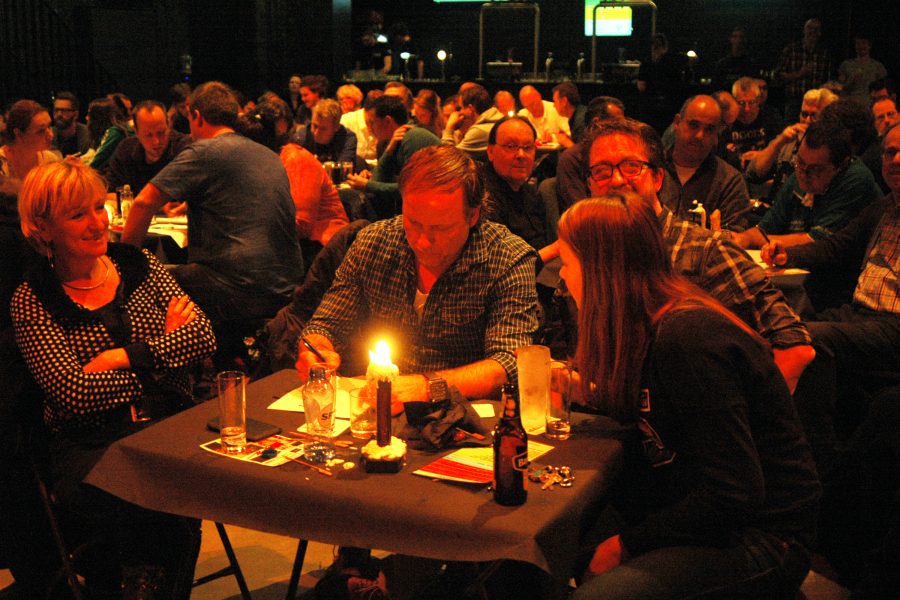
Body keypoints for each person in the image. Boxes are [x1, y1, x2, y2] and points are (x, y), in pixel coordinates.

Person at [557, 194, 820, 599]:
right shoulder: (644, 325)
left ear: (599, 271)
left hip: (766, 536)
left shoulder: (687, 338)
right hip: (701, 512)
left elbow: (734, 494)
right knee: (558, 544)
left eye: (567, 264)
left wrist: (627, 545)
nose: (562, 278)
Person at [10, 160, 215, 598]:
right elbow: (75, 394)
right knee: (157, 494)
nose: (97, 222)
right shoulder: (34, 297)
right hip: (91, 442)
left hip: (168, 423)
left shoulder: (137, 263)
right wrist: (164, 357)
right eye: (77, 214)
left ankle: (142, 585)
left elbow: (202, 335)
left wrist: (121, 357)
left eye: (98, 207)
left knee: (200, 473)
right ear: (43, 229)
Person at [584, 118, 815, 392]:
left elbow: (795, 347)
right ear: (591, 186)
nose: (617, 180)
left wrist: (750, 413)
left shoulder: (705, 251)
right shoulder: (589, 255)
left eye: (631, 167)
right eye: (602, 171)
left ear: (657, 178)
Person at [298, 145, 539, 405]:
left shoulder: (507, 259)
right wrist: (317, 349)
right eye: (413, 222)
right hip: (375, 408)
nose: (422, 241)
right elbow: (325, 325)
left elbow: (508, 363)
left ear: (473, 215)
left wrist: (426, 387)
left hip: (461, 416)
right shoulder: (374, 243)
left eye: (440, 228)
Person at [121, 81, 304, 363]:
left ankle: (161, 368)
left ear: (196, 116)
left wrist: (124, 265)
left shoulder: (205, 151)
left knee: (147, 281)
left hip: (239, 288)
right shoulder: (269, 154)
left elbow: (143, 203)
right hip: (286, 287)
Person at [733, 120, 881, 249]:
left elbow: (818, 242)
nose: (804, 174)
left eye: (815, 169)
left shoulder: (856, 179)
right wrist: (744, 238)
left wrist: (755, 240)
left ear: (840, 166)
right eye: (800, 162)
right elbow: (766, 227)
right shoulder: (799, 174)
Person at [238, 96, 349, 266]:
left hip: (322, 250)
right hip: (293, 246)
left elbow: (301, 225)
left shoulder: (295, 158)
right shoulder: (266, 158)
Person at [660, 94, 751, 231]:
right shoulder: (650, 168)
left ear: (716, 136)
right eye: (693, 125)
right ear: (677, 123)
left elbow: (733, 239)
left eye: (709, 129)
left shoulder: (730, 182)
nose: (699, 135)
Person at [346, 95, 440, 218]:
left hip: (435, 209)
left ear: (387, 121)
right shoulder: (390, 142)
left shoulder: (413, 137)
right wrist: (389, 150)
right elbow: (377, 180)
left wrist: (367, 185)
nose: (371, 128)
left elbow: (411, 190)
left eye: (373, 122)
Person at [482, 117, 555, 263]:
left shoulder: (529, 191)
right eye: (511, 146)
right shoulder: (483, 197)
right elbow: (503, 265)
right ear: (490, 152)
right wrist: (556, 249)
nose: (521, 155)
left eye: (527, 147)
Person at [744, 87, 838, 192]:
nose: (807, 120)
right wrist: (779, 142)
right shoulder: (788, 141)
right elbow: (753, 174)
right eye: (804, 114)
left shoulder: (832, 150)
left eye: (814, 115)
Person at [103, 99, 192, 195]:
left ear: (169, 125)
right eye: (148, 135)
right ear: (136, 132)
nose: (156, 141)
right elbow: (110, 192)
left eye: (161, 133)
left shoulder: (185, 149)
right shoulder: (126, 149)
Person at [1, 100, 59, 203]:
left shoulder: (50, 160)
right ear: (18, 134)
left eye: (49, 127)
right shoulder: (2, 163)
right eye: (41, 131)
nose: (51, 135)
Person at [776, 18, 832, 118]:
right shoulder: (791, 50)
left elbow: (827, 79)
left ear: (819, 33)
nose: (812, 31)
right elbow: (778, 76)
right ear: (804, 30)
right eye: (810, 28)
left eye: (816, 29)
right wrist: (799, 74)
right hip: (794, 101)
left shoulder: (824, 53)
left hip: (816, 103)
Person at [442, 83, 504, 157]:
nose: (460, 113)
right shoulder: (499, 120)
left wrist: (449, 127)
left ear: (470, 109)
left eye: (461, 108)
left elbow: (447, 157)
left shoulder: (479, 131)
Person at [729, 76, 783, 160]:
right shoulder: (728, 120)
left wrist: (761, 155)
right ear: (734, 101)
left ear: (758, 101)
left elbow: (781, 149)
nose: (747, 108)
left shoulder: (770, 116)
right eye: (741, 103)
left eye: (751, 102)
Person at [292, 98, 358, 165]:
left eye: (323, 129)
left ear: (336, 127)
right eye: (315, 126)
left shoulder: (347, 139)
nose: (316, 133)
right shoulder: (301, 138)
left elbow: (342, 169)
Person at [837, 34, 887, 107]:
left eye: (863, 43)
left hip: (870, 105)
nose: (861, 46)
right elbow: (840, 88)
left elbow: (883, 89)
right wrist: (851, 80)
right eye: (858, 43)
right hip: (851, 105)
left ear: (869, 46)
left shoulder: (878, 66)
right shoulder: (846, 65)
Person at [86, 96, 131, 171]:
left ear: (98, 117)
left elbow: (94, 165)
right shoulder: (111, 132)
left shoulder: (115, 132)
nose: (86, 118)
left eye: (89, 114)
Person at [712, 26, 759, 92]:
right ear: (730, 39)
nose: (738, 39)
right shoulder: (722, 64)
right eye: (735, 36)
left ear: (745, 40)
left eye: (741, 36)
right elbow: (716, 86)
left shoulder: (751, 64)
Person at [341, 88, 383, 163]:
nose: (376, 125)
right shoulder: (346, 121)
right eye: (372, 121)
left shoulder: (385, 124)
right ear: (365, 110)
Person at [50, 92, 90, 158]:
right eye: (56, 110)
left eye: (64, 111)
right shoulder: (48, 134)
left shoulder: (87, 134)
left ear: (76, 114)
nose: (59, 114)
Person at [552, 81, 588, 148]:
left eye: (555, 101)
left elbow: (582, 152)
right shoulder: (578, 114)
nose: (554, 105)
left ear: (564, 101)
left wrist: (565, 141)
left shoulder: (581, 120)